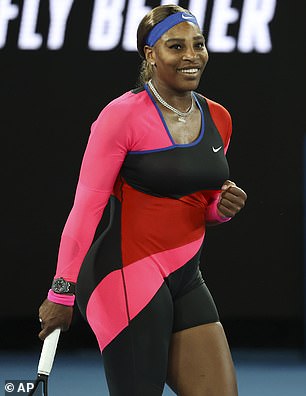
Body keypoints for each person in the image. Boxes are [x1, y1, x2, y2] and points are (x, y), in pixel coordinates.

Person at [38, 4, 247, 396]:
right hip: (123, 275)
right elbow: (85, 210)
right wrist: (60, 292)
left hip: (186, 276)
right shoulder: (120, 117)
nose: (191, 55)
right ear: (150, 54)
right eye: (176, 46)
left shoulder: (219, 117)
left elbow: (198, 206)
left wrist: (220, 209)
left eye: (198, 44)